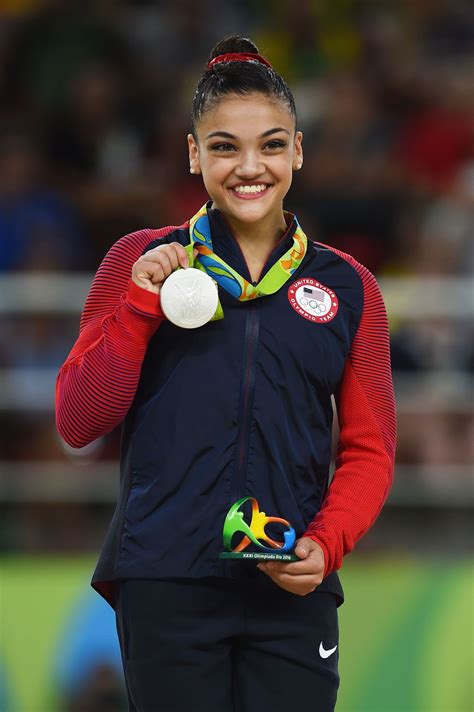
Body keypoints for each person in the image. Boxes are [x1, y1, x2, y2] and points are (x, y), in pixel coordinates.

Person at [56, 35, 396, 712]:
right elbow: (78, 421)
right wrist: (139, 306)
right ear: (193, 154)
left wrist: (326, 547)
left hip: (289, 583)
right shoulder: (141, 259)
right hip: (166, 579)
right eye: (224, 147)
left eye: (271, 145)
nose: (250, 167)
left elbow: (370, 449)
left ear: (298, 150)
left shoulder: (348, 287)